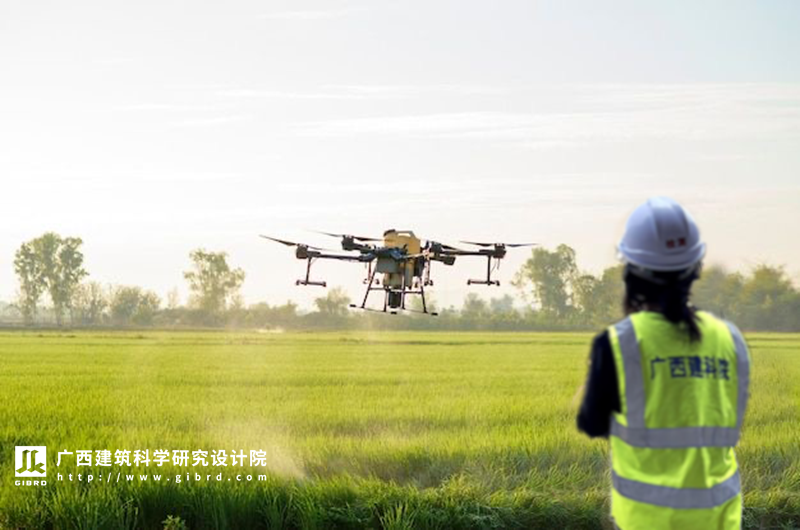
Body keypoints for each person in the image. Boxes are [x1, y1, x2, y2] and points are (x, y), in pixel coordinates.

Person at [577, 197, 751, 530]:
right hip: (720, 521)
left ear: (631, 270)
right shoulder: (731, 340)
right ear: (695, 268)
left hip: (645, 521)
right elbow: (728, 418)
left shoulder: (618, 343)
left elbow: (592, 423)